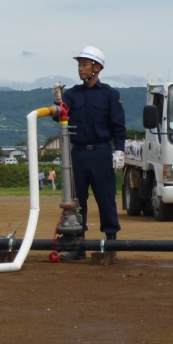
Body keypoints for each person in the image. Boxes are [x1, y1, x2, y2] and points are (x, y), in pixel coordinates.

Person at [58, 46, 126, 259]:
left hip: (101, 152)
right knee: (78, 201)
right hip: (78, 153)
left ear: (97, 67)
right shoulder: (71, 95)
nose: (80, 68)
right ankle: (78, 246)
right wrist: (58, 103)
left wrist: (119, 151)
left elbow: (119, 127)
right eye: (79, 64)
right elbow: (60, 116)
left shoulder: (110, 95)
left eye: (85, 64)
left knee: (105, 198)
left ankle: (111, 245)